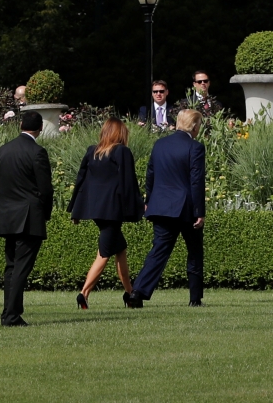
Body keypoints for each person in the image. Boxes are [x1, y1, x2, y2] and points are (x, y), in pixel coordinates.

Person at [127, 109, 206, 308]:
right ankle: (194, 298)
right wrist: (199, 212)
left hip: (161, 206)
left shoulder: (160, 144)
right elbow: (196, 182)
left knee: (158, 251)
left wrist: (149, 200)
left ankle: (137, 291)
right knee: (194, 251)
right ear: (194, 126)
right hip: (185, 208)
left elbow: (150, 174)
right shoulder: (195, 147)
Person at [67, 118, 144, 309]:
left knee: (120, 249)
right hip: (113, 210)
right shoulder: (121, 151)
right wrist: (137, 206)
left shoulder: (92, 151)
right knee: (104, 253)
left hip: (95, 209)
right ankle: (83, 293)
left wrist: (75, 209)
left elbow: (81, 180)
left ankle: (130, 293)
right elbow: (128, 181)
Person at [0, 111, 53, 326]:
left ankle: (7, 312)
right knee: (21, 268)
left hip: (7, 215)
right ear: (40, 129)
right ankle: (11, 315)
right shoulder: (37, 152)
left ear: (20, 125)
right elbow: (45, 189)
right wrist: (45, 213)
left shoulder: (4, 150)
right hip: (28, 217)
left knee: (11, 266)